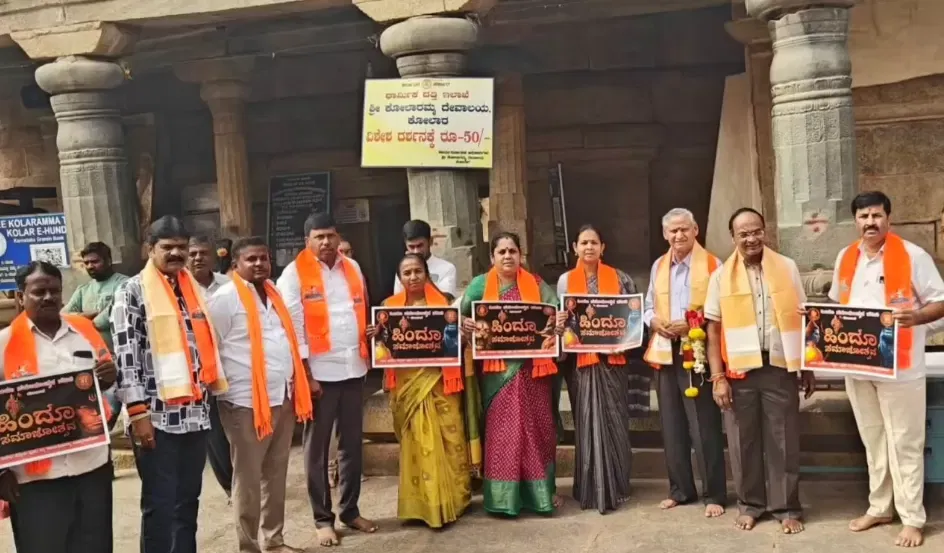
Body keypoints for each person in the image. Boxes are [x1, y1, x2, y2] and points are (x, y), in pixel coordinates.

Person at [829, 191, 944, 548]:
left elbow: (940, 301)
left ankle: (912, 518)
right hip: (858, 366)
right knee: (874, 439)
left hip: (901, 367)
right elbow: (836, 306)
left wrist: (916, 317)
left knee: (905, 442)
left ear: (888, 219)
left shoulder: (913, 255)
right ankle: (880, 507)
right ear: (856, 221)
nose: (870, 222)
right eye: (863, 216)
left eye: (876, 215)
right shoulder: (846, 256)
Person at [112, 215, 229, 553]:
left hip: (194, 414)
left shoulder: (192, 289)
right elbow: (126, 357)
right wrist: (138, 414)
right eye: (168, 247)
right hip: (156, 418)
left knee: (188, 501)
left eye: (182, 247)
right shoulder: (132, 291)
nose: (176, 253)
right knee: (159, 504)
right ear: (150, 249)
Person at [705, 207, 813, 535]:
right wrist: (718, 377)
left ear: (765, 232)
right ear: (733, 238)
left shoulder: (787, 267)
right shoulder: (721, 276)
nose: (751, 238)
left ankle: (786, 507)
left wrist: (806, 365)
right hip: (739, 371)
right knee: (743, 441)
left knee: (784, 439)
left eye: (756, 231)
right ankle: (750, 505)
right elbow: (713, 330)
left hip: (779, 365)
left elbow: (805, 317)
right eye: (744, 234)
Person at [207, 237, 319, 553]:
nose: (259, 264)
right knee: (248, 477)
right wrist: (223, 391)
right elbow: (210, 346)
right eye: (251, 259)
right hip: (244, 402)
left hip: (282, 396)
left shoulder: (274, 293)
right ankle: (248, 546)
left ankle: (274, 539)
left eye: (264, 258)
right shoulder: (225, 299)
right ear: (236, 264)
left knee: (276, 472)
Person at [0, 261, 118, 553]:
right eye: (39, 292)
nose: (48, 297)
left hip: (91, 467)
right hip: (35, 479)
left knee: (95, 546)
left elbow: (103, 384)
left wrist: (108, 379)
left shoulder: (85, 331)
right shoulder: (4, 345)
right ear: (20, 296)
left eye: (54, 291)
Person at [277, 213, 376, 546]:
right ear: (307, 241)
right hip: (319, 374)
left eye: (330, 235)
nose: (326, 242)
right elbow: (293, 328)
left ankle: (350, 510)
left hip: (354, 368)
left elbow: (360, 311)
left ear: (338, 236)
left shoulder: (353, 267)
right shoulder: (293, 274)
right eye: (318, 237)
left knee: (352, 445)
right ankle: (322, 519)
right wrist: (306, 375)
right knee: (317, 450)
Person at [459, 231, 566, 516]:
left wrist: (558, 322)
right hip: (497, 374)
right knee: (503, 433)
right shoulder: (480, 285)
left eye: (512, 251)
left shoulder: (537, 284)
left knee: (538, 430)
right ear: (492, 256)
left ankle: (541, 494)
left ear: (521, 255)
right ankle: (503, 499)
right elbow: (458, 315)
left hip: (533, 371)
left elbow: (555, 311)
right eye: (502, 251)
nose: (507, 256)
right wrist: (465, 324)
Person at [369, 253, 472, 527]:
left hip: (440, 382)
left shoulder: (445, 305)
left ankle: (454, 500)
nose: (413, 277)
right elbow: (383, 346)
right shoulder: (388, 309)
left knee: (449, 439)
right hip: (408, 385)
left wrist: (462, 333)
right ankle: (421, 505)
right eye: (407, 273)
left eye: (418, 271)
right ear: (399, 278)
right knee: (416, 442)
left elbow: (455, 344)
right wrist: (374, 336)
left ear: (426, 274)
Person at [642, 208, 726, 517]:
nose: (679, 235)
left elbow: (720, 310)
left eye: (684, 229)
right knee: (671, 424)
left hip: (698, 351)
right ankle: (680, 490)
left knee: (704, 425)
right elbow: (648, 306)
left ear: (696, 230)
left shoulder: (714, 265)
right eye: (673, 231)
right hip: (666, 351)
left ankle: (714, 494)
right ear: (665, 234)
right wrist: (654, 322)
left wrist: (690, 323)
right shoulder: (659, 265)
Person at [556, 225, 639, 513]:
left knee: (615, 420)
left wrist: (624, 336)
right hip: (582, 365)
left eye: (594, 243)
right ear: (575, 248)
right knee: (586, 420)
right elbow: (564, 319)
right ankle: (589, 487)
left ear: (603, 248)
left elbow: (633, 318)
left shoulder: (621, 278)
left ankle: (617, 484)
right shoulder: (565, 281)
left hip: (612, 363)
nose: (589, 247)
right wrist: (561, 326)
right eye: (583, 243)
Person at [188, 235, 233, 499]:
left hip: (232, 367)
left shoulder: (229, 285)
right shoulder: (178, 288)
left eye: (203, 253)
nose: (198, 258)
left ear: (214, 256)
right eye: (192, 253)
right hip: (201, 373)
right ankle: (229, 487)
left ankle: (245, 483)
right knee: (214, 433)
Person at [63, 241, 128, 427]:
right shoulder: (83, 290)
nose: (90, 266)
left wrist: (88, 322)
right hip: (92, 362)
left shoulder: (124, 284)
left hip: (120, 359)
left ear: (108, 261)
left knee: (119, 413)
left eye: (95, 261)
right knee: (96, 417)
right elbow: (64, 317)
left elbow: (113, 313)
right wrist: (86, 317)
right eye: (87, 263)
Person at [392, 220, 457, 296]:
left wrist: (425, 276)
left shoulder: (447, 268)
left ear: (430, 241)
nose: (416, 251)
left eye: (420, 245)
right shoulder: (403, 269)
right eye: (411, 247)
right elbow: (398, 300)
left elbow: (447, 300)